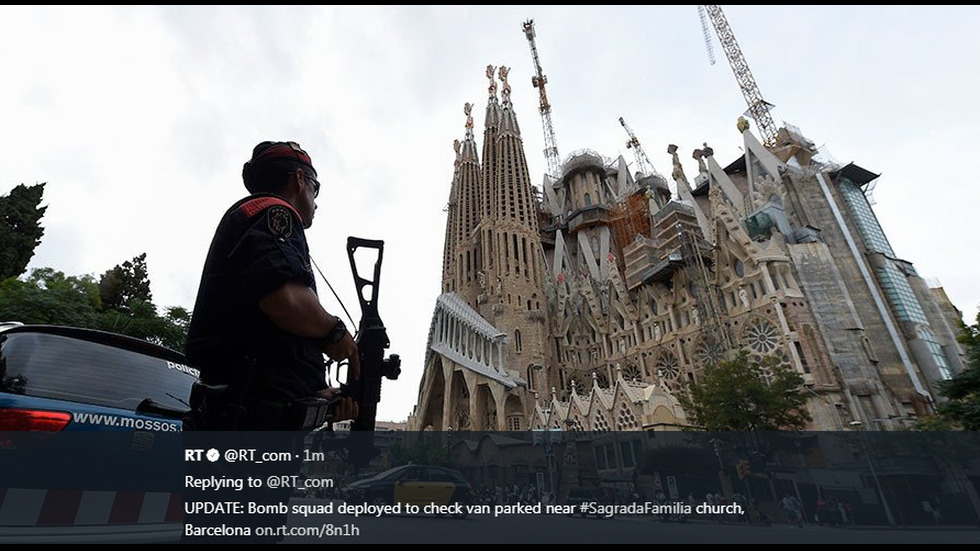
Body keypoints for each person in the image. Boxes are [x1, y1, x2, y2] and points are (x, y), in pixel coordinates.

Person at [181, 140, 360, 542]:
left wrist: (322, 399)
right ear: (300, 179)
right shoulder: (274, 213)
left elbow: (274, 345)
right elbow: (284, 301)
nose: (316, 200)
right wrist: (337, 334)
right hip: (247, 431)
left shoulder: (259, 218)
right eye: (316, 188)